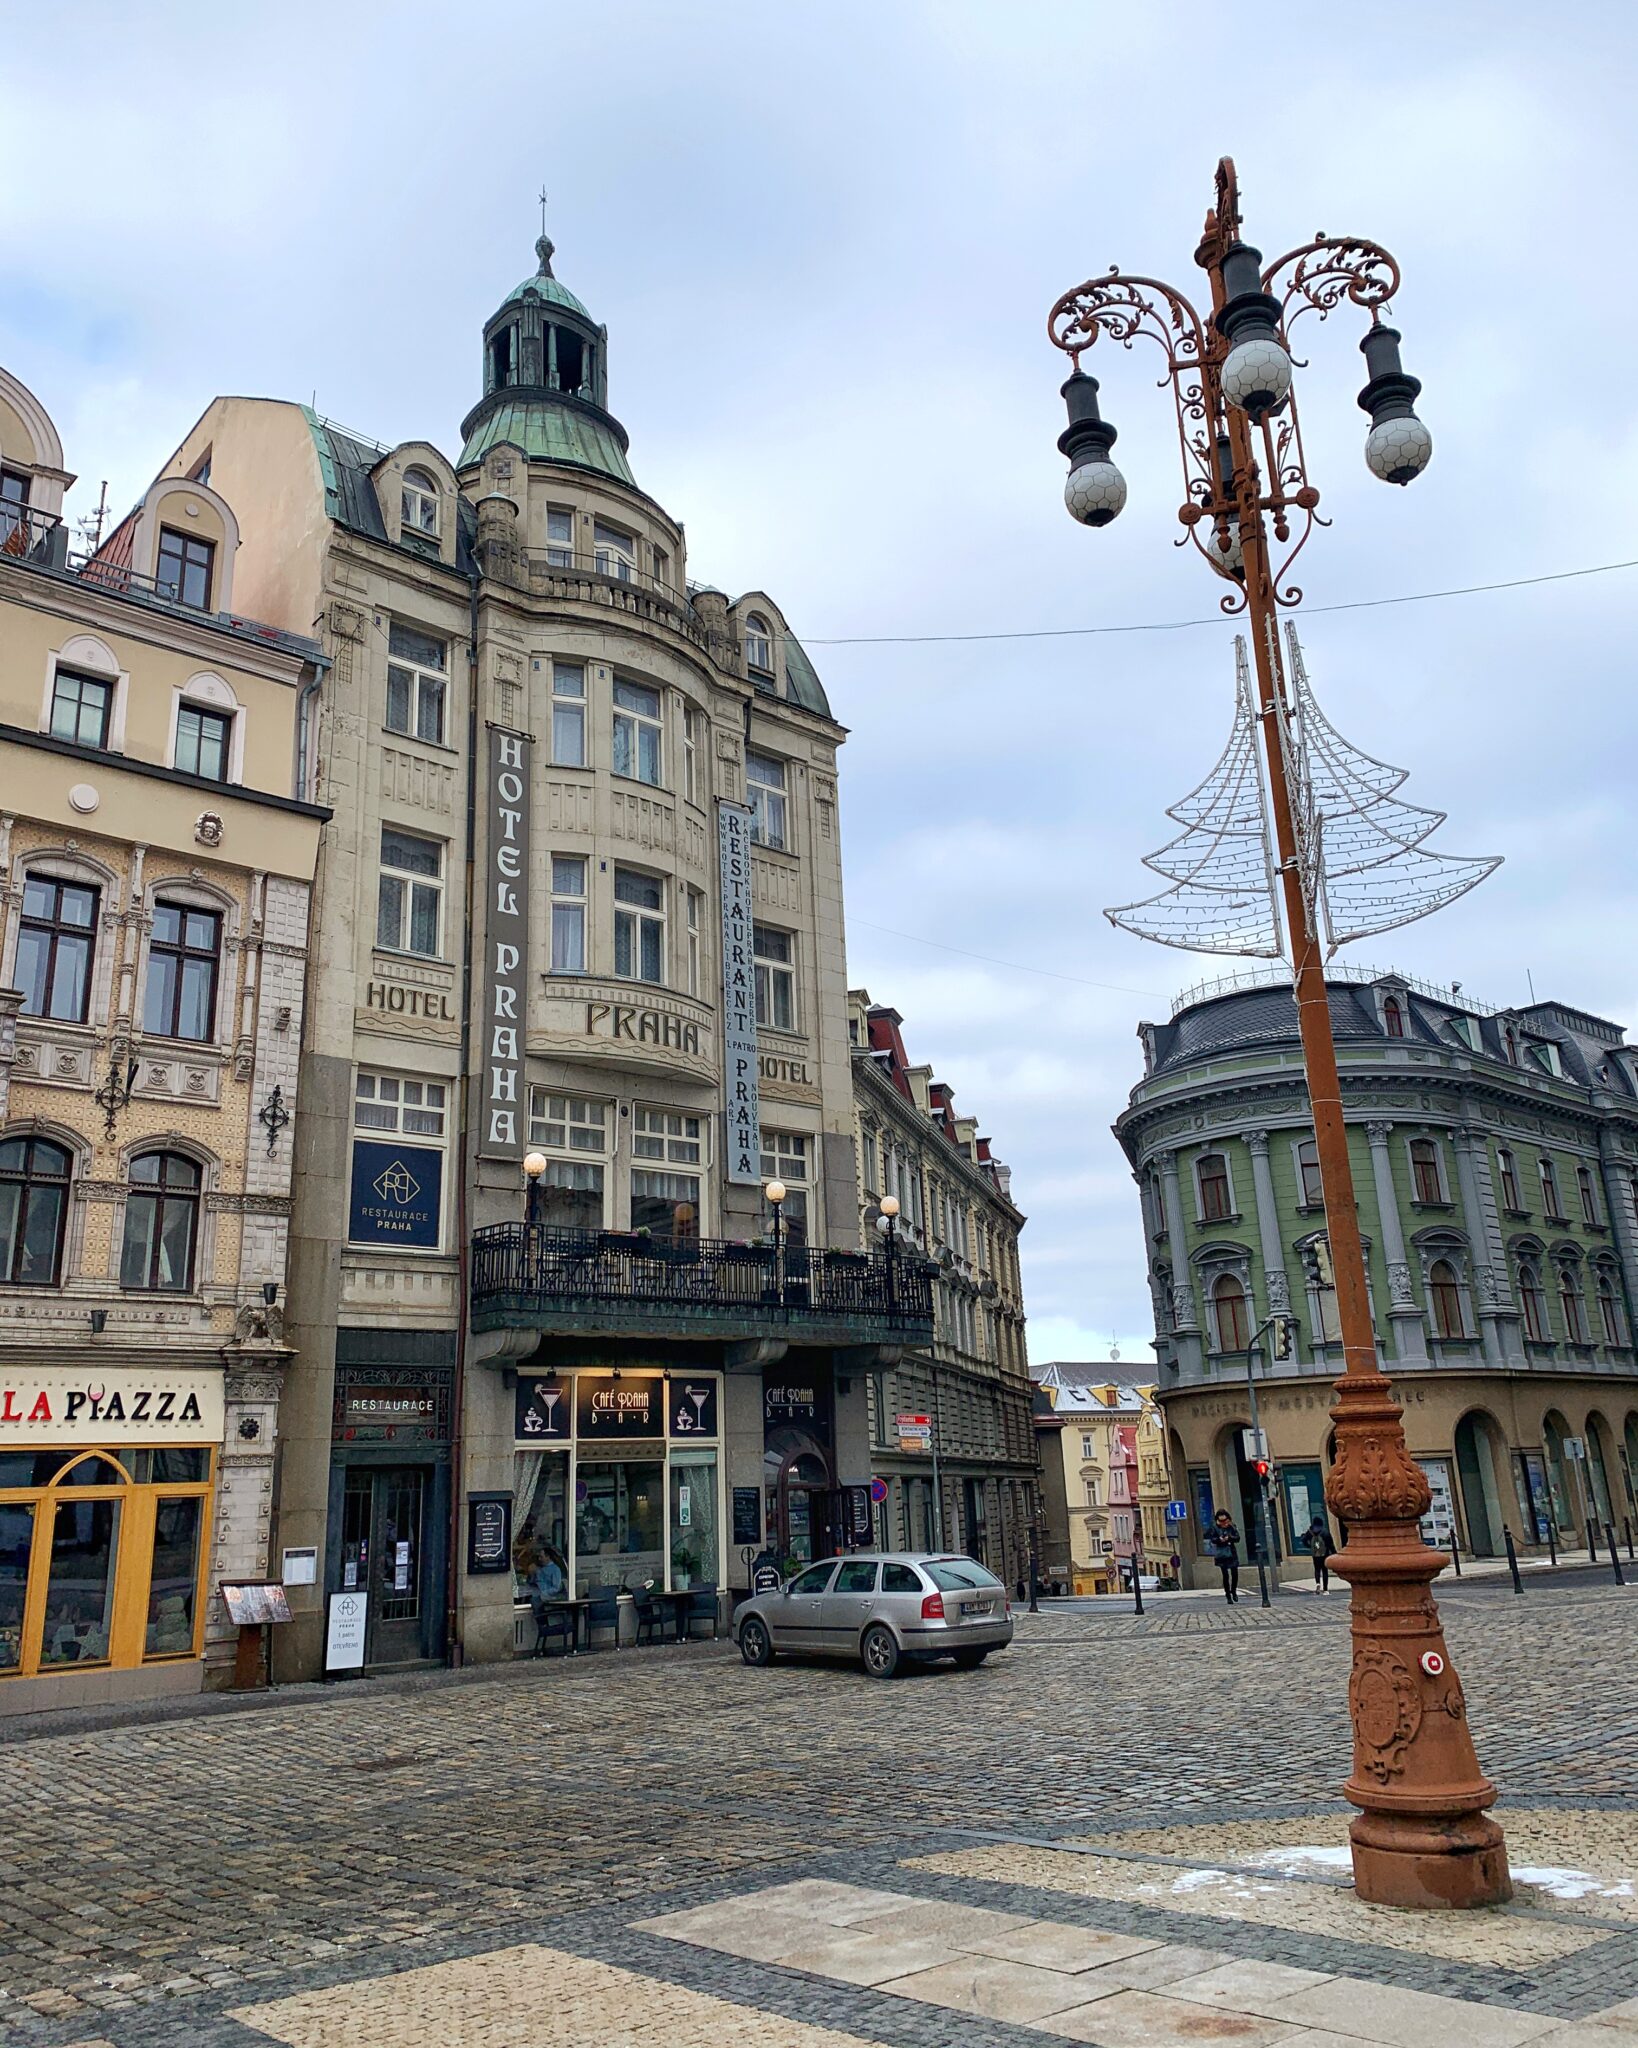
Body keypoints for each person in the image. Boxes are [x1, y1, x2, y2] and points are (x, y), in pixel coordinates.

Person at [1206, 1510, 1242, 1604]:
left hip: (1231, 1552)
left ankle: (1233, 1591)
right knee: (1225, 1575)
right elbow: (1212, 1539)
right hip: (1222, 1553)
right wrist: (1219, 1539)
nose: (1223, 1523)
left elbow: (1237, 1538)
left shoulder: (1231, 1526)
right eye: (1220, 1521)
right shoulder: (1214, 1527)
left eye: (1225, 1520)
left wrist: (1229, 1538)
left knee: (1235, 1573)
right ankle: (1228, 1595)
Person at [1303, 1515, 1337, 1593]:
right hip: (1324, 1554)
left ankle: (1317, 1583)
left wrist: (1310, 1546)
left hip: (1315, 1554)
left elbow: (1304, 1540)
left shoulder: (1310, 1532)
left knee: (1317, 1569)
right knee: (1324, 1571)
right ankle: (1325, 1589)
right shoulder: (1325, 1532)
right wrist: (1334, 1553)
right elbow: (1330, 1544)